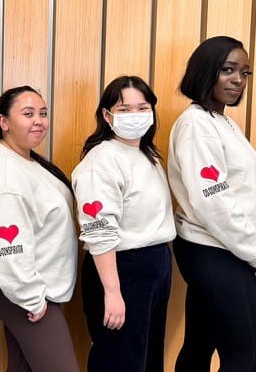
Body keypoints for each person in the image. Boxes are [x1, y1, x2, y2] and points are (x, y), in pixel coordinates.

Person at [169, 36, 256, 371]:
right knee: (244, 357)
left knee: (199, 346)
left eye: (245, 72)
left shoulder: (223, 123)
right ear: (206, 72)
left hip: (230, 248)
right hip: (211, 249)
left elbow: (252, 189)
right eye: (228, 70)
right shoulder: (196, 125)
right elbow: (213, 203)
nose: (238, 80)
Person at [71, 76, 176, 372]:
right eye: (125, 109)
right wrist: (113, 292)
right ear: (107, 115)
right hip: (121, 268)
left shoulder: (148, 155)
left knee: (147, 358)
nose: (135, 116)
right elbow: (99, 231)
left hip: (156, 262)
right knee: (120, 359)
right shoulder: (102, 159)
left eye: (142, 108)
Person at [0, 86, 80, 372]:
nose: (39, 121)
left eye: (43, 114)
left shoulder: (26, 160)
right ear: (4, 123)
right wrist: (31, 298)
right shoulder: (6, 178)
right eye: (28, 114)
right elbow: (10, 250)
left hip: (32, 286)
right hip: (25, 289)